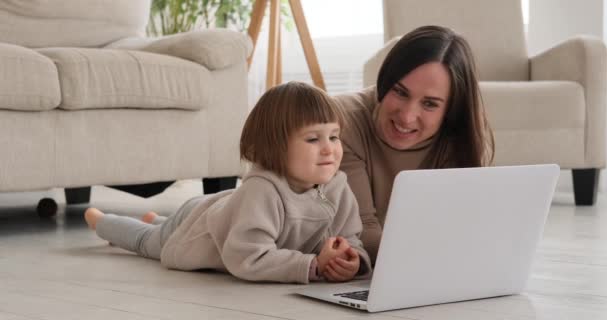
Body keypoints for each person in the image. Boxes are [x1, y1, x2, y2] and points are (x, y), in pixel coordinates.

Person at [84, 81, 372, 284]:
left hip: (226, 209)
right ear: (275, 147)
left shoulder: (338, 187)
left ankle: (157, 219)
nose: (329, 149)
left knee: (160, 227)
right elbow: (247, 257)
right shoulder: (263, 191)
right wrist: (312, 266)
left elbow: (352, 237)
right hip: (197, 224)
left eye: (334, 136)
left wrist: (352, 259)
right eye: (313, 139)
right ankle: (102, 221)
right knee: (148, 241)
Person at [335, 25, 495, 263]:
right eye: (400, 92)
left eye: (430, 104)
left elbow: (459, 227)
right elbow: (362, 229)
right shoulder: (341, 120)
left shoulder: (463, 137)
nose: (407, 116)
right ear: (385, 81)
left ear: (451, 110)